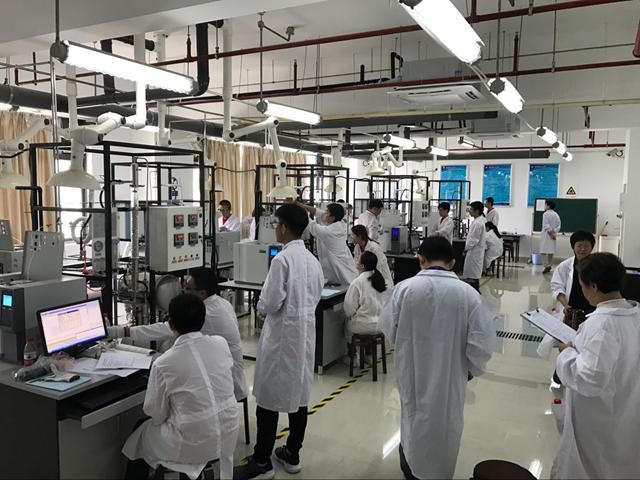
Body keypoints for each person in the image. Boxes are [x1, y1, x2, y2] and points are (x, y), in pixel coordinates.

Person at [380, 236, 495, 480]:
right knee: (445, 426)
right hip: (450, 378)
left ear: (420, 259)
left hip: (412, 372)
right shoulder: (468, 294)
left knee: (412, 419)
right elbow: (482, 344)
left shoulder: (404, 289)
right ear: (452, 263)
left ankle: (411, 469)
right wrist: (470, 369)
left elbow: (389, 329)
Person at [234, 204, 324, 480]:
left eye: (276, 224)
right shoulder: (312, 260)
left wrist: (261, 306)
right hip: (304, 336)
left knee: (268, 398)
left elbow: (270, 303)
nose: (275, 229)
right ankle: (292, 453)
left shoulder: (282, 260)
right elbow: (317, 293)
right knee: (299, 396)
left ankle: (262, 461)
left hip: (282, 336)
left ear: (284, 228)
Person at [122, 294, 238, 480]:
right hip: (228, 433)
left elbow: (155, 413)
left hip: (193, 443)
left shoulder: (164, 363)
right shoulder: (220, 344)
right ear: (203, 319)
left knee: (141, 432)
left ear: (171, 324)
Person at [551, 252, 640, 479]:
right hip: (627, 409)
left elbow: (590, 378)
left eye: (582, 286)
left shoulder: (602, 325)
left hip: (600, 419)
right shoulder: (634, 314)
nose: (581, 290)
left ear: (594, 286)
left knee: (592, 468)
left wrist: (566, 352)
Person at [108, 267, 248, 402]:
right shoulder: (222, 303)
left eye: (188, 288)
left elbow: (163, 329)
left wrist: (121, 331)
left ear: (202, 293)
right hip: (223, 374)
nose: (183, 291)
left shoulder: (206, 314)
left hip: (224, 383)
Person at [296, 201, 358, 285]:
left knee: (345, 288)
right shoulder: (336, 222)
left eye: (327, 212)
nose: (324, 213)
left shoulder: (330, 231)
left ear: (332, 217)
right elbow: (318, 212)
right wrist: (301, 205)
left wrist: (299, 210)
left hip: (344, 273)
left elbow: (312, 226)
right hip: (335, 271)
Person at [551, 231, 596, 317]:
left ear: (592, 247)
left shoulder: (599, 266)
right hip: (571, 310)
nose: (583, 249)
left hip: (593, 311)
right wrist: (565, 305)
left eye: (586, 246)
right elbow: (557, 288)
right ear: (573, 247)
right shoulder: (564, 266)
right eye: (579, 246)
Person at [351, 224, 394, 289]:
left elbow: (378, 268)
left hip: (381, 281)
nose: (351, 237)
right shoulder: (357, 247)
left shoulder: (374, 248)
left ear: (359, 236)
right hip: (367, 279)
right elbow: (357, 266)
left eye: (352, 234)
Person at [463, 201, 487, 291]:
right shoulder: (481, 220)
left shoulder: (478, 223)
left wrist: (465, 249)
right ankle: (475, 293)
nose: (469, 211)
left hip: (474, 252)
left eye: (471, 209)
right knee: (474, 275)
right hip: (477, 252)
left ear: (477, 211)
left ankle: (475, 294)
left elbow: (473, 240)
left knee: (472, 276)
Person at [541, 199, 561, 274]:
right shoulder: (556, 215)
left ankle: (546, 266)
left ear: (548, 206)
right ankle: (549, 265)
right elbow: (559, 226)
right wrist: (554, 233)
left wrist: (551, 234)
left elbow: (546, 226)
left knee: (543, 251)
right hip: (553, 235)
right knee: (551, 251)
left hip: (547, 235)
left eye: (545, 205)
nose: (544, 206)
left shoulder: (545, 214)